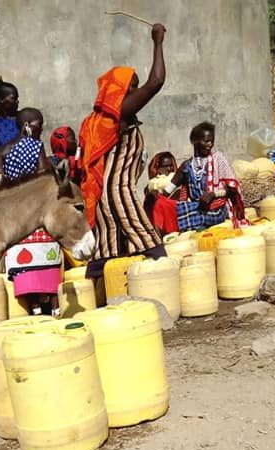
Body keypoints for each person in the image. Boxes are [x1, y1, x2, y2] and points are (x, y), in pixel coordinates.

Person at [78, 23, 168, 278]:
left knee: (108, 245)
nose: (138, 91)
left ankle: (97, 289)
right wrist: (158, 42)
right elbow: (156, 81)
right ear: (119, 90)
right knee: (143, 236)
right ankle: (165, 277)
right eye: (133, 86)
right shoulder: (120, 112)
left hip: (105, 196)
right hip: (118, 192)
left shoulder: (98, 119)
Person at [0, 108, 61, 316]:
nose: (41, 128)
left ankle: (33, 306)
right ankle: (54, 306)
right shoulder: (35, 146)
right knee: (46, 254)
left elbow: (0, 182)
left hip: (15, 212)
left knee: (24, 258)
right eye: (38, 124)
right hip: (36, 208)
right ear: (27, 125)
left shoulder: (4, 150)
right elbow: (43, 173)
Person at [165, 122, 247, 230]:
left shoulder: (218, 159)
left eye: (212, 141)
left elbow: (233, 189)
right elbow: (168, 189)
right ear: (195, 141)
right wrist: (157, 196)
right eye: (206, 141)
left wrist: (213, 194)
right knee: (176, 209)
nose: (210, 144)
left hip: (216, 208)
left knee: (184, 215)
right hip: (197, 208)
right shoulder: (187, 166)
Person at [144, 151, 182, 234]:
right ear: (157, 168)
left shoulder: (179, 178)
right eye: (165, 166)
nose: (169, 169)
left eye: (171, 165)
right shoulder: (152, 185)